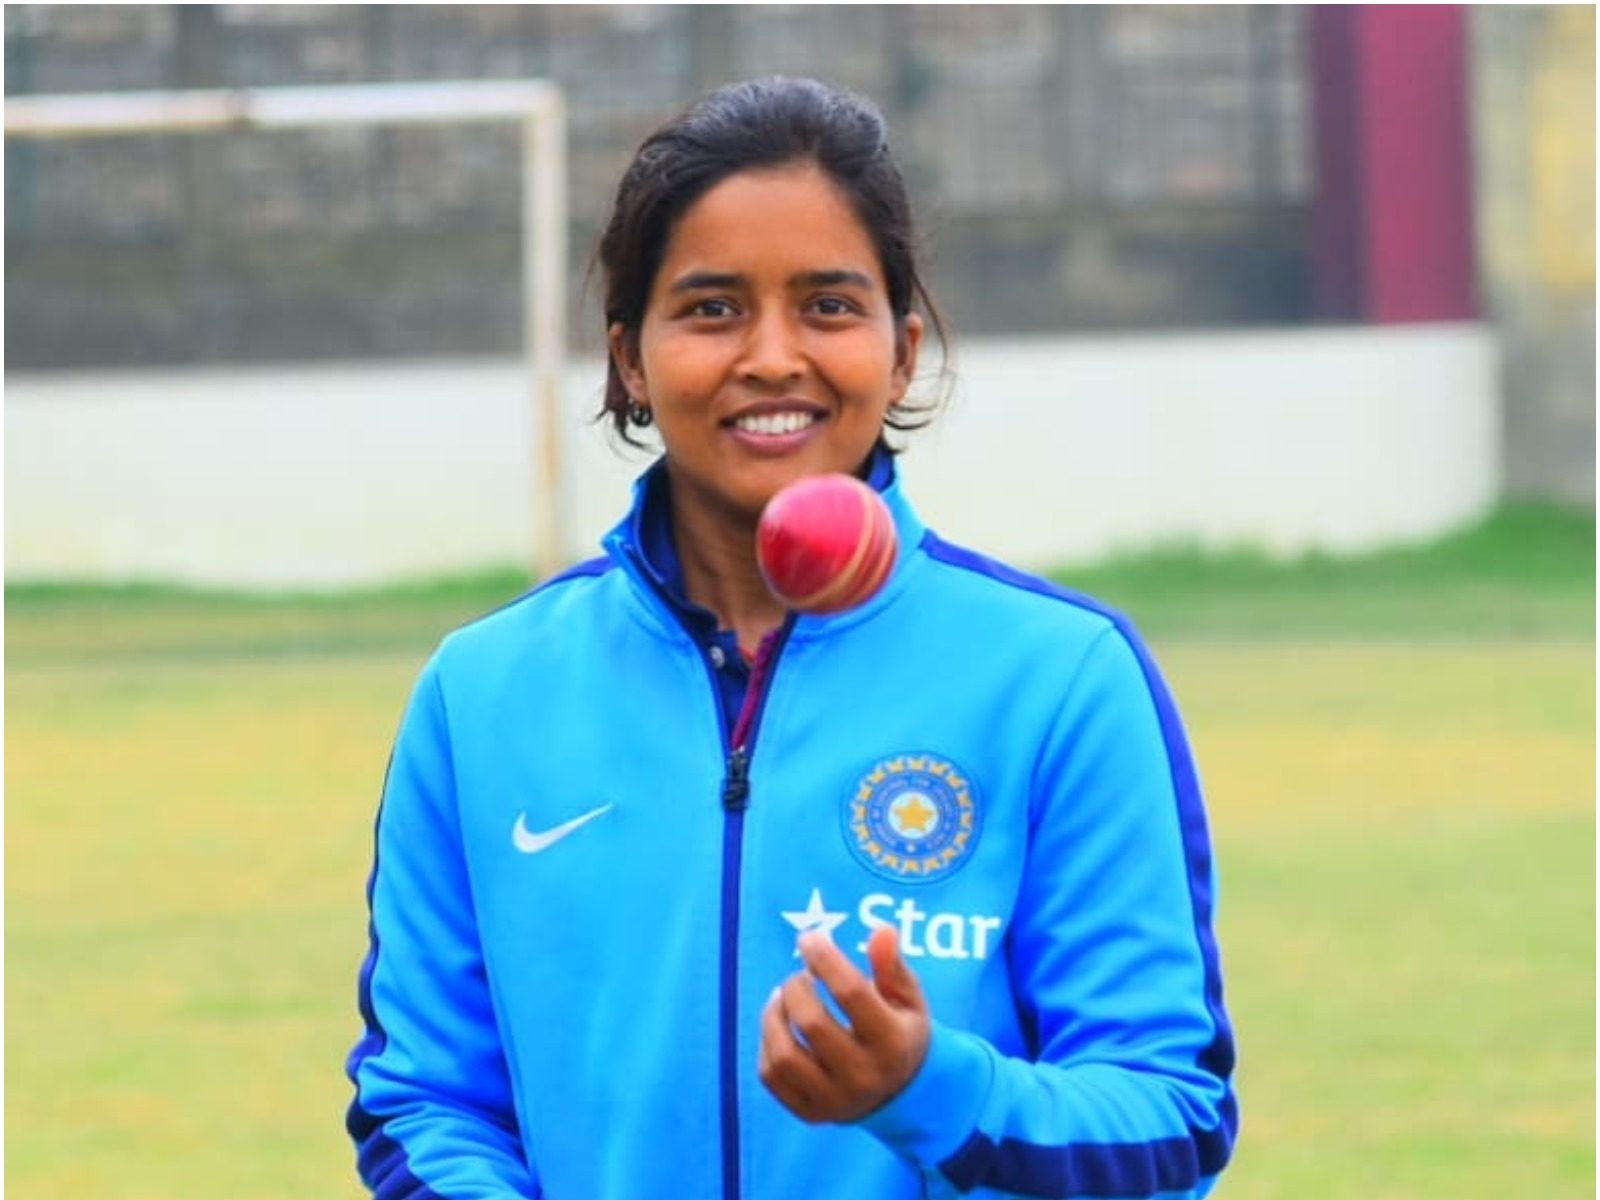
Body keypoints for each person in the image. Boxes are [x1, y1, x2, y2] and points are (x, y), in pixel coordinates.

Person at [345, 76, 1237, 1200]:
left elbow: (1167, 1117)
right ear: (629, 357)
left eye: (827, 305)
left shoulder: (1059, 677)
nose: (772, 356)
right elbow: (423, 1100)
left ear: (902, 349)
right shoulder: (483, 693)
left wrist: (930, 1090)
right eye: (712, 308)